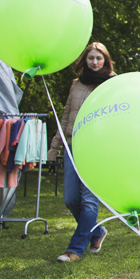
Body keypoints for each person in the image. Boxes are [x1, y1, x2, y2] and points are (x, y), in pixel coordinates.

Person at [49, 42, 116, 262]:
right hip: (71, 145)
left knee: (89, 201)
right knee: (70, 199)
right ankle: (97, 232)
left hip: (96, 148)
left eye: (99, 58)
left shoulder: (113, 85)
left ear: (105, 61)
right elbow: (67, 115)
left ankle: (75, 250)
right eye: (91, 58)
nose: (95, 62)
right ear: (84, 60)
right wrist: (54, 147)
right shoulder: (76, 85)